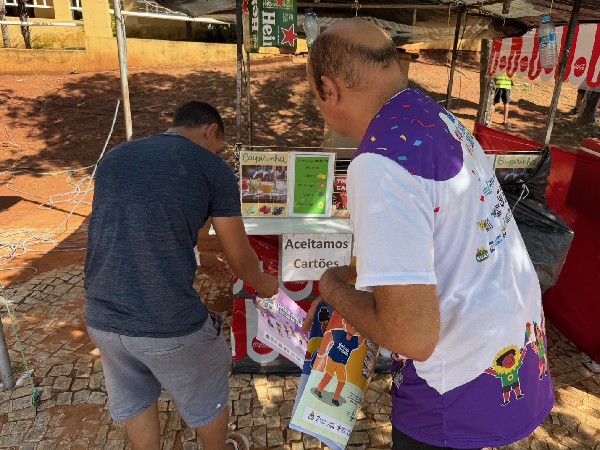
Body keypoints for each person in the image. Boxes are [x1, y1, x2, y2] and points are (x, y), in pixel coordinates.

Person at [302, 18, 554, 450]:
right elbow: (435, 244)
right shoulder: (435, 116)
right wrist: (354, 285)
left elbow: (410, 337)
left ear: (328, 88)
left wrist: (330, 286)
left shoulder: (379, 164)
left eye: (313, 94)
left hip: (453, 394)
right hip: (512, 357)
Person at [84, 101, 278, 450]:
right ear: (211, 131)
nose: (216, 152)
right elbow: (239, 256)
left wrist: (198, 256)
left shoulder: (115, 157)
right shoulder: (212, 168)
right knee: (207, 389)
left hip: (103, 319)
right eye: (218, 146)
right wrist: (264, 283)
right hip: (168, 323)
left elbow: (134, 227)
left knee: (137, 399)